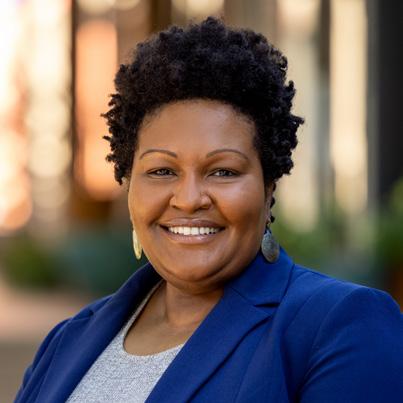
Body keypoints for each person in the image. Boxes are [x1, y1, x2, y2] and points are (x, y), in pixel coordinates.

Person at [15, 17, 403, 403]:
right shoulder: (68, 341)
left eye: (223, 171)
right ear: (130, 186)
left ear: (268, 187)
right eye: (162, 171)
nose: (188, 199)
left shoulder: (340, 325)